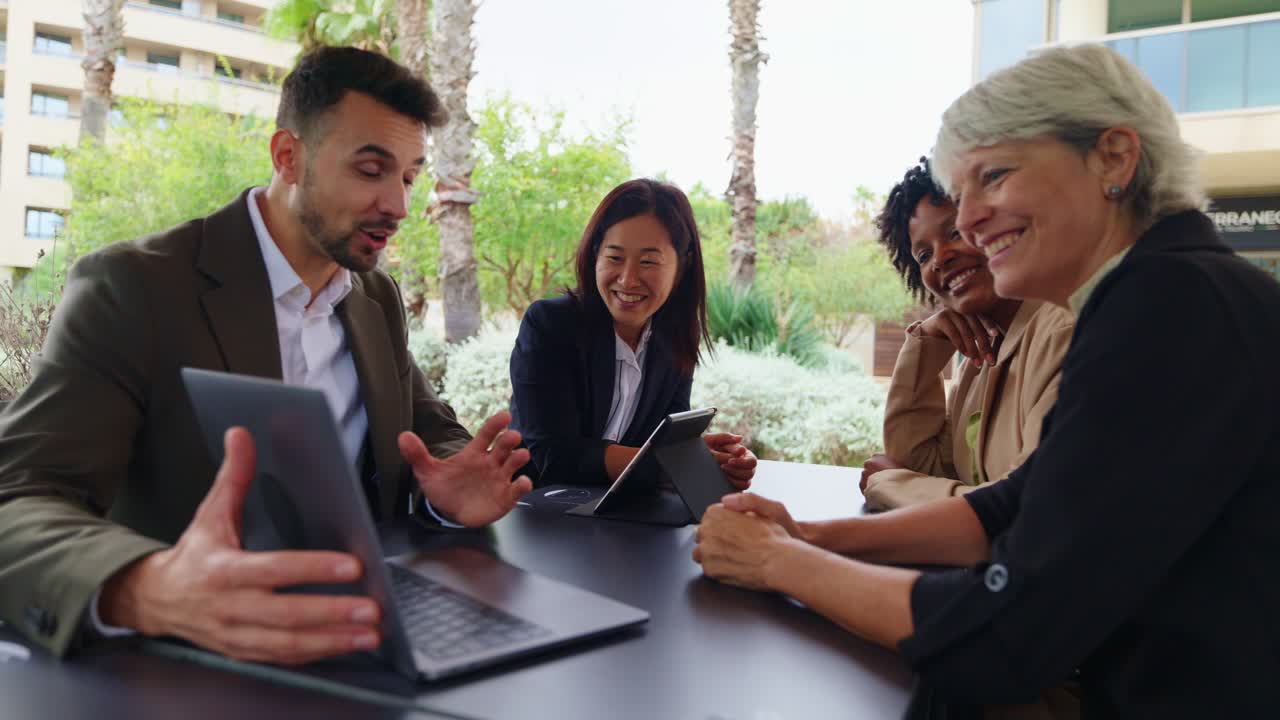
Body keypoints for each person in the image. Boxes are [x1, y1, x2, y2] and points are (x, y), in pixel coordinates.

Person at [693, 43, 1280, 717]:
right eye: (961, 191)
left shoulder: (1169, 300)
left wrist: (777, 563)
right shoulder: (1167, 288)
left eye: (993, 177)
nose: (968, 219)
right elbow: (1012, 508)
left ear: (1114, 158)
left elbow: (1008, 633)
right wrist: (810, 536)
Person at [0, 47, 533, 665]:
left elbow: (430, 435)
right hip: (186, 666)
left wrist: (446, 490)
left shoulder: (374, 298)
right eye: (370, 170)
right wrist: (145, 588)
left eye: (409, 177)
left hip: (365, 633)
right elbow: (17, 498)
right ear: (288, 156)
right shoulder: (133, 288)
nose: (399, 206)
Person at [509, 179, 756, 488]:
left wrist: (707, 457)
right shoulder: (550, 325)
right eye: (614, 257)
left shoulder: (674, 337)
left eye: (649, 262)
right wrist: (676, 464)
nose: (627, 279)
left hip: (620, 516)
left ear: (683, 266)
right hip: (530, 508)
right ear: (595, 254)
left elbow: (660, 442)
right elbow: (554, 455)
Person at [862, 159, 1074, 509]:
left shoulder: (1063, 333)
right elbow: (923, 466)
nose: (940, 259)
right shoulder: (980, 361)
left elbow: (1030, 507)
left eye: (955, 232)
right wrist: (926, 344)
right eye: (923, 254)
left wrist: (892, 485)